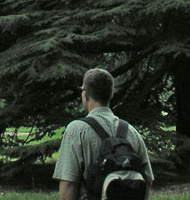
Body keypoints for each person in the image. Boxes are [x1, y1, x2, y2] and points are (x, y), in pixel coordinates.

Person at [53, 68, 154, 200]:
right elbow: (147, 180)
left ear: (85, 94)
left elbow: (68, 185)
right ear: (110, 94)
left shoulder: (76, 130)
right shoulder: (132, 132)